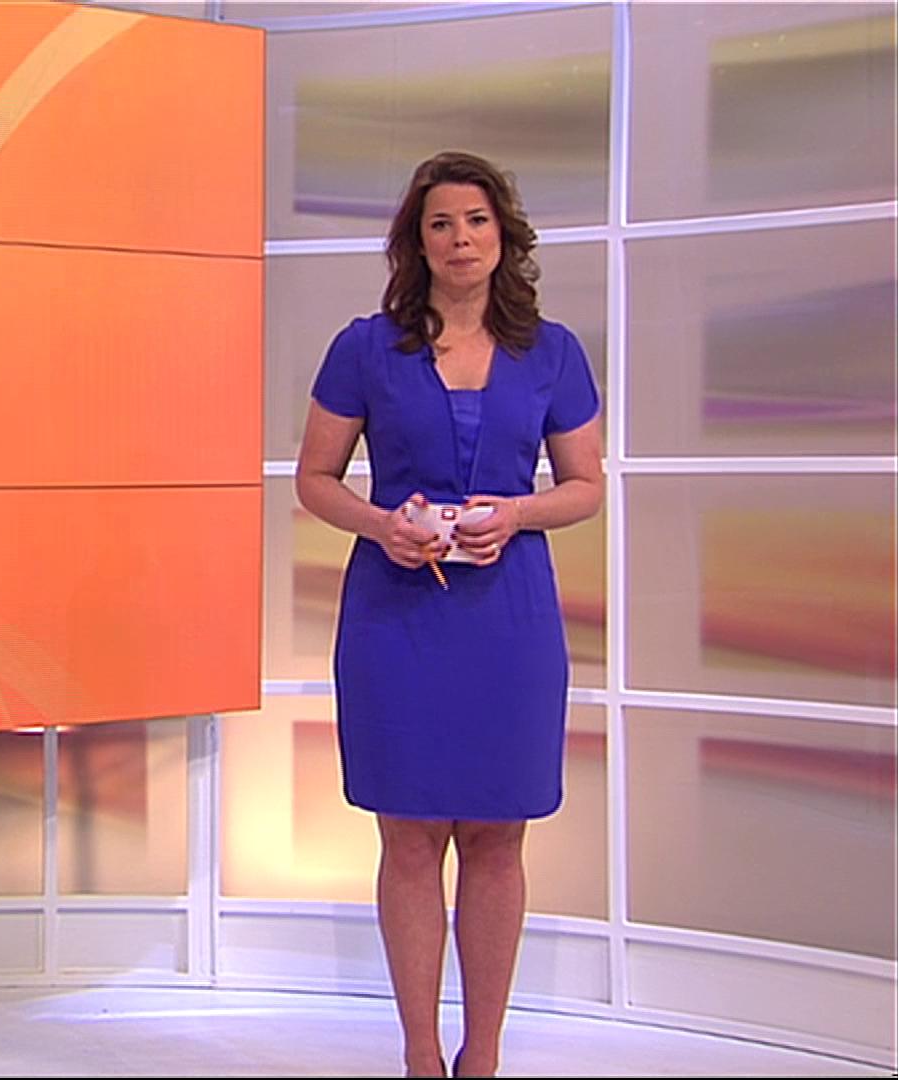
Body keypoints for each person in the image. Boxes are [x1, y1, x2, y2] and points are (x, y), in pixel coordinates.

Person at [294, 151, 603, 1078]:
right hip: (397, 617)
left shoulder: (553, 351)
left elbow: (585, 487)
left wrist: (518, 512)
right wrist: (383, 525)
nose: (460, 239)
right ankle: (422, 1055)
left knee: (499, 834)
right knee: (410, 833)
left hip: (509, 621)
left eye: (475, 221)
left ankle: (485, 1056)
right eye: (440, 224)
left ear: (503, 234)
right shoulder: (364, 348)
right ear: (417, 242)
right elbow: (316, 479)